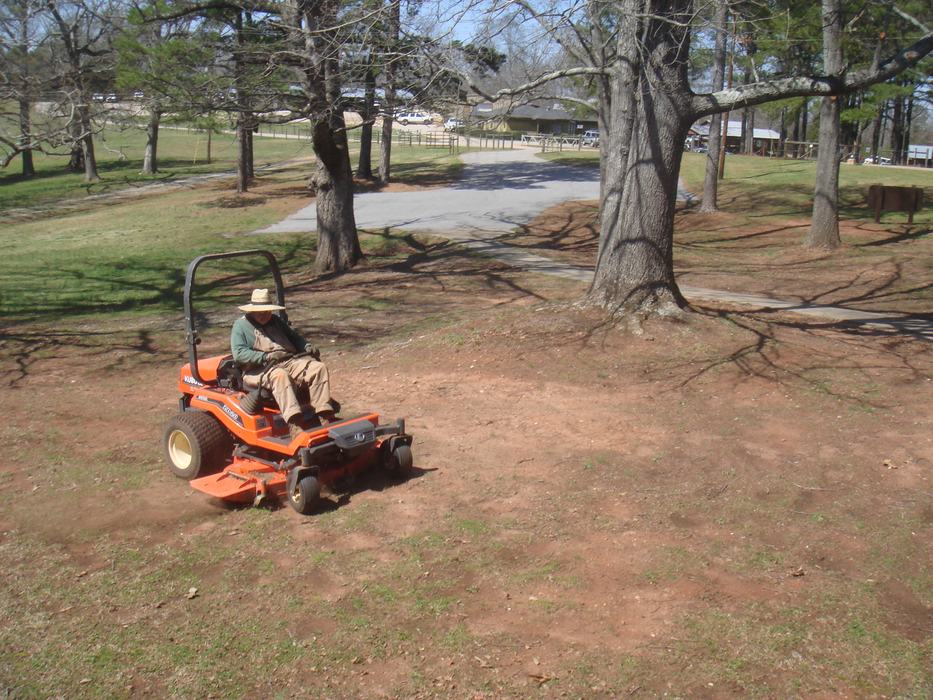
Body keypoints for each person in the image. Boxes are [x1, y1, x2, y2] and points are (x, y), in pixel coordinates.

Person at [231, 288, 336, 437]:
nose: (264, 315)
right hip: (258, 369)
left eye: (267, 311)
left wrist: (306, 346)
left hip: (288, 361)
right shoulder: (241, 326)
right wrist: (265, 357)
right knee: (280, 376)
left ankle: (324, 415)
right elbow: (239, 354)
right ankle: (295, 424)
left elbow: (295, 338)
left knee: (318, 368)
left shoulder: (276, 321)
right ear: (252, 311)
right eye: (260, 312)